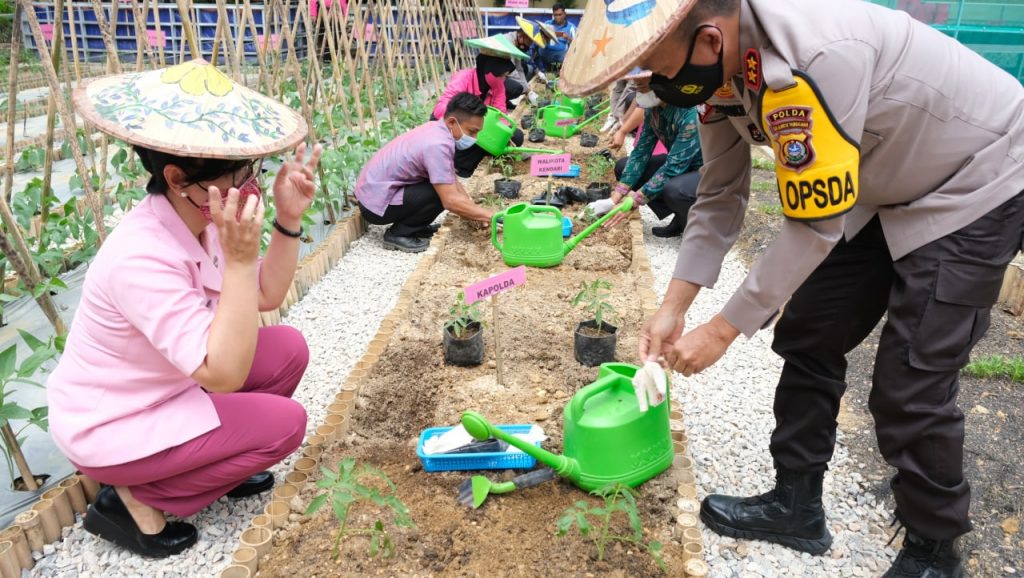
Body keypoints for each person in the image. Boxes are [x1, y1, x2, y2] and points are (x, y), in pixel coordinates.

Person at [562, 0, 1024, 576]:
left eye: (656, 70)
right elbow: (721, 194)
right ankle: (796, 504)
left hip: (974, 178)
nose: (653, 87)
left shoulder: (815, 55)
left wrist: (722, 330)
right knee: (810, 332)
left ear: (708, 40)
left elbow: (814, 225)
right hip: (883, 183)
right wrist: (672, 309)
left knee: (912, 379)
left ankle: (934, 551)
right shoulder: (720, 71)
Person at [51, 59, 320, 558]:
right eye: (239, 173)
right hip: (117, 421)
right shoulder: (140, 257)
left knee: (287, 348)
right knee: (287, 424)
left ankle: (213, 465)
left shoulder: (203, 216)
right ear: (177, 177)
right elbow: (222, 374)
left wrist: (287, 217)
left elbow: (265, 295)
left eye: (252, 171)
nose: (250, 185)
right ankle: (131, 497)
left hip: (169, 382)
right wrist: (239, 262)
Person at [357, 92, 495, 252]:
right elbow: (450, 200)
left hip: (374, 193)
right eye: (471, 132)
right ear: (452, 122)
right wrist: (489, 216)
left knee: (442, 185)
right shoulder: (437, 145)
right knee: (438, 194)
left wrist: (473, 209)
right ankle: (399, 234)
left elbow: (451, 178)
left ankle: (416, 227)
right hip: (374, 206)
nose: (474, 138)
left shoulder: (436, 128)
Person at [598, 82, 702, 238]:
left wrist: (634, 201)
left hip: (705, 171)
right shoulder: (653, 109)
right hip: (680, 164)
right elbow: (641, 151)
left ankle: (695, 223)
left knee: (674, 190)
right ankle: (680, 215)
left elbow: (673, 168)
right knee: (623, 166)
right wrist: (614, 199)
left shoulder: (690, 114)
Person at [433, 53, 525, 178]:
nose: (504, 80)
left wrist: (504, 133)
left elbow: (500, 113)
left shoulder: (498, 85)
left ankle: (472, 158)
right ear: (489, 71)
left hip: (479, 128)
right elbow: (440, 109)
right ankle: (460, 168)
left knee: (515, 136)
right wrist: (466, 118)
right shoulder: (463, 78)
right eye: (501, 76)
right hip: (454, 126)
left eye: (505, 76)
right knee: (473, 139)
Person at [503, 19, 548, 109]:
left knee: (520, 84)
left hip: (501, 73)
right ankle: (495, 101)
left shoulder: (517, 44)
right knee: (516, 88)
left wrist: (527, 89)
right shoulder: (508, 42)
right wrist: (527, 91)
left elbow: (519, 68)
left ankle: (504, 100)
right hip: (491, 74)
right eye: (529, 42)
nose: (529, 45)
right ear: (521, 36)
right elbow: (512, 71)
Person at [539, 3, 576, 72]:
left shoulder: (571, 27)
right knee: (537, 47)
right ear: (553, 14)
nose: (557, 17)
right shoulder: (547, 24)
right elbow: (539, 39)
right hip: (546, 54)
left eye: (560, 14)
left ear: (565, 14)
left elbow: (577, 44)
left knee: (564, 54)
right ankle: (540, 70)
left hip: (560, 58)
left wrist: (568, 38)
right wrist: (544, 36)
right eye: (555, 15)